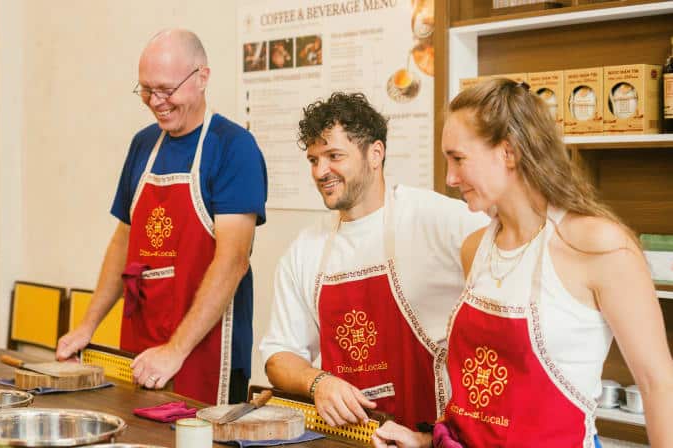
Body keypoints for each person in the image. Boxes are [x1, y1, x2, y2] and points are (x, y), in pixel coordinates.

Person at [372, 79, 673, 447]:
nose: (450, 178)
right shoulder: (475, 250)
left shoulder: (599, 246)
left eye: (459, 158)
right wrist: (422, 441)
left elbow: (658, 382)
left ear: (509, 152)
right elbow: (485, 402)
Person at [55, 29, 268, 406]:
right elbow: (125, 239)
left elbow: (233, 260)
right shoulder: (142, 145)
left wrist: (175, 349)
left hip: (205, 352)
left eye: (167, 90)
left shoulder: (234, 147)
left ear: (202, 78)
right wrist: (88, 326)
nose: (156, 102)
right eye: (146, 90)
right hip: (140, 344)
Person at [259, 92, 488, 429]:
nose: (321, 171)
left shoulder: (442, 221)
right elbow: (279, 356)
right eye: (313, 160)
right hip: (348, 436)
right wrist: (318, 382)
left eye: (334, 156)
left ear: (375, 154)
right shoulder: (305, 250)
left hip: (428, 435)